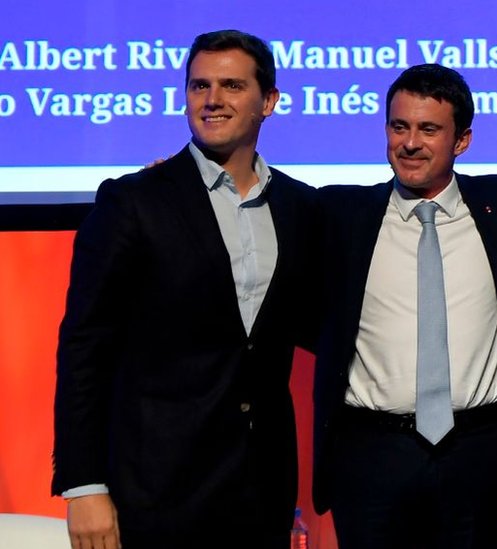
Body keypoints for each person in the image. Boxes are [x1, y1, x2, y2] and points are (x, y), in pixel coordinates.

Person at [52, 30, 319, 549]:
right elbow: (85, 346)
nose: (212, 99)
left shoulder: (300, 207)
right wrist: (84, 485)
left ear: (268, 101)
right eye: (199, 86)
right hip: (154, 492)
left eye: (231, 85)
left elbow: (310, 327)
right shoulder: (134, 201)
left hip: (261, 493)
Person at [311, 63, 497, 548]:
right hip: (371, 455)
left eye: (428, 129)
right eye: (399, 127)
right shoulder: (342, 213)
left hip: (477, 454)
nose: (410, 143)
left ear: (462, 141)